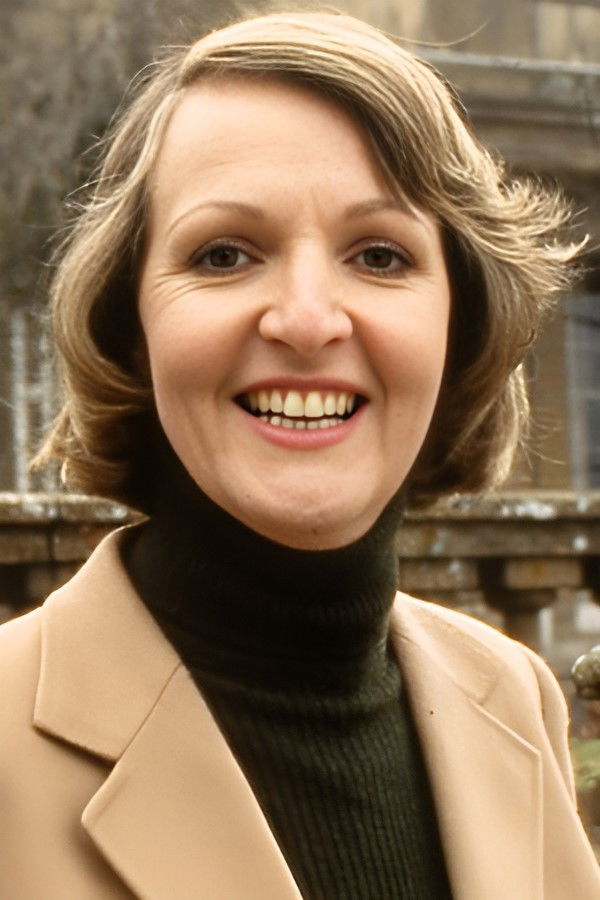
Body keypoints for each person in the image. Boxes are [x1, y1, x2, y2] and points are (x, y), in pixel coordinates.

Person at [1, 10, 598, 899]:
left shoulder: (515, 698)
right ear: (131, 326)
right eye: (224, 254)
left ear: (461, 325)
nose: (309, 321)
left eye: (381, 256)